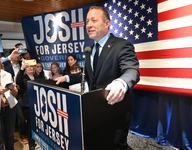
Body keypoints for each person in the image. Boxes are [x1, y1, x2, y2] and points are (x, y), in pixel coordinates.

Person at [55, 6, 140, 150]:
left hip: (116, 112)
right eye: (87, 21)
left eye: (94, 20)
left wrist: (121, 82)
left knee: (116, 146)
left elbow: (131, 70)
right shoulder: (90, 49)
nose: (89, 25)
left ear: (107, 23)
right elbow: (87, 76)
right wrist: (67, 78)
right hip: (95, 111)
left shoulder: (122, 45)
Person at [0, 54, 18, 150]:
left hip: (10, 108)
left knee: (10, 135)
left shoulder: (6, 74)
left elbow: (15, 94)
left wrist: (12, 88)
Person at [16, 61, 38, 150]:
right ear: (25, 68)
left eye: (31, 67)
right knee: (30, 124)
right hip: (26, 104)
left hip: (36, 104)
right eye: (27, 67)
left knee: (35, 124)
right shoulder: (23, 77)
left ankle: (35, 141)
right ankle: (31, 143)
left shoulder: (37, 77)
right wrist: (21, 69)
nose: (30, 68)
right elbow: (18, 81)